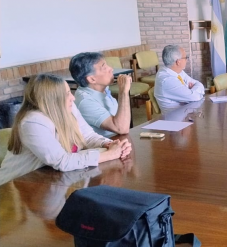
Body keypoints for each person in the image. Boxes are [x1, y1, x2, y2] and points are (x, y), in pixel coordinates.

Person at [2, 74, 131, 173]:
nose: (73, 98)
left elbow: (87, 136)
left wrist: (108, 144)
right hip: (14, 189)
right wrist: (109, 154)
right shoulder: (32, 122)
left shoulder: (68, 107)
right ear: (52, 100)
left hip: (49, 178)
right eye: (67, 94)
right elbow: (62, 161)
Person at [69, 52, 132, 138]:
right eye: (104, 67)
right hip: (104, 146)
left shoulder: (104, 89)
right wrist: (123, 92)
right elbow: (121, 128)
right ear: (92, 79)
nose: (111, 69)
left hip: (119, 140)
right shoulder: (85, 101)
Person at [154, 45, 205, 113]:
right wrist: (191, 92)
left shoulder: (176, 71)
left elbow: (199, 84)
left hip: (187, 111)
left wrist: (191, 91)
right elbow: (196, 97)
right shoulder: (167, 80)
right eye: (185, 58)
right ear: (178, 62)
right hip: (176, 119)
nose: (186, 60)